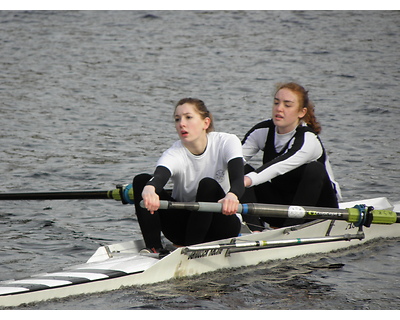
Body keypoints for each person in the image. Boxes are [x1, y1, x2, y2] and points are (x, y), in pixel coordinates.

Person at [133, 98, 245, 253]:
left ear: (206, 123)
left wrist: (232, 195)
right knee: (141, 181)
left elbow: (239, 179)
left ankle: (190, 251)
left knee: (208, 185)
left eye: (188, 117)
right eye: (177, 119)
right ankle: (153, 248)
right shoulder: (174, 153)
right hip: (182, 229)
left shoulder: (227, 141)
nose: (181, 124)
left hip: (221, 226)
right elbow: (159, 176)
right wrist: (150, 188)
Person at [241, 82, 342, 230]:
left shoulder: (308, 140)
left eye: (287, 105)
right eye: (276, 102)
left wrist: (247, 180)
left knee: (315, 169)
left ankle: (290, 230)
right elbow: (234, 160)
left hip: (319, 210)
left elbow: (280, 165)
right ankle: (255, 230)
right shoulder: (262, 131)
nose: (279, 108)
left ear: (301, 112)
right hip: (283, 207)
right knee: (239, 169)